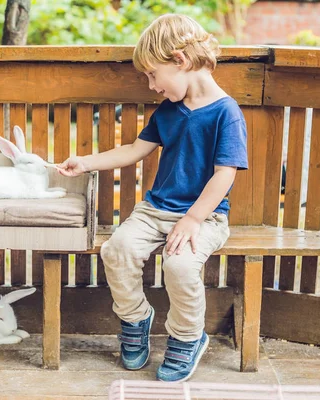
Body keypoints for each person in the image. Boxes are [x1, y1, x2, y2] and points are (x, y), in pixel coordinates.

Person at [58, 13, 248, 382]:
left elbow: (224, 174)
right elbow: (133, 149)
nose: (150, 85)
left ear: (180, 61)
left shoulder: (227, 113)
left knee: (179, 266)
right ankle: (136, 318)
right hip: (155, 210)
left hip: (203, 217)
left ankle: (188, 337)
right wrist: (85, 163)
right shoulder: (169, 111)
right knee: (117, 250)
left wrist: (192, 219)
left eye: (152, 74)